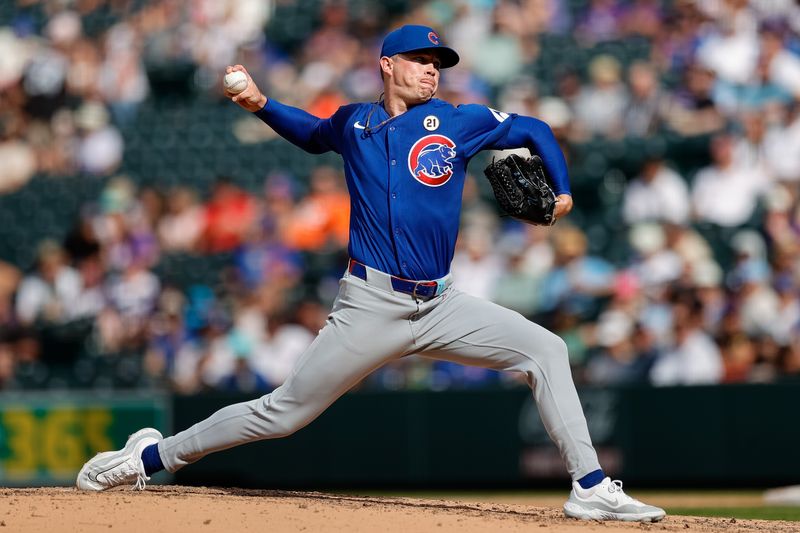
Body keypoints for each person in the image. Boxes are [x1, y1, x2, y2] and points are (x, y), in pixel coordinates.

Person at [76, 24, 665, 523]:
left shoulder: (458, 122)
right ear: (388, 65)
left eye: (439, 63)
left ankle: (589, 487)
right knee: (282, 414)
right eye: (420, 60)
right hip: (370, 304)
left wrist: (561, 193)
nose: (432, 70)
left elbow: (533, 130)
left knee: (546, 350)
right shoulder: (354, 123)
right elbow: (311, 134)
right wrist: (259, 104)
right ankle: (153, 458)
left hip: (441, 303)